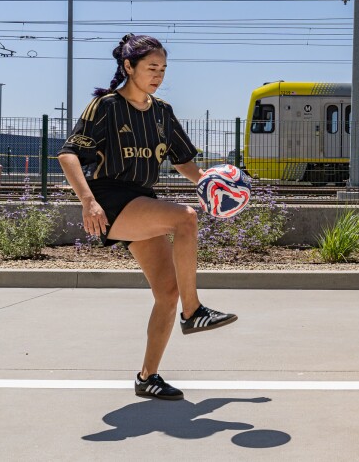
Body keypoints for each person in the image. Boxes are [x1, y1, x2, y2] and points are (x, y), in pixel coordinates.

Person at [58, 34, 237, 401]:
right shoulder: (105, 106)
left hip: (141, 199)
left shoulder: (162, 112)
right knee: (185, 219)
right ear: (128, 67)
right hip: (109, 198)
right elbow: (68, 155)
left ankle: (147, 377)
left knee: (166, 292)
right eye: (151, 68)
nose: (158, 75)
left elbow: (183, 161)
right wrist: (88, 202)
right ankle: (194, 311)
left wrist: (212, 186)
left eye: (163, 69)